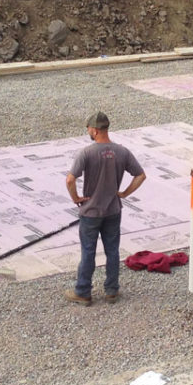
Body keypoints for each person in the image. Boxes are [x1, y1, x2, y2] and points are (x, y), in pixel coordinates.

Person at [65, 111, 146, 305]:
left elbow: (70, 180)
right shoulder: (122, 152)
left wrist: (76, 198)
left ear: (94, 130)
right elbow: (141, 175)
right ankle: (111, 291)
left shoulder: (87, 153)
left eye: (88, 129)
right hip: (113, 211)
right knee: (112, 250)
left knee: (88, 251)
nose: (88, 132)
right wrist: (124, 193)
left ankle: (83, 292)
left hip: (91, 212)